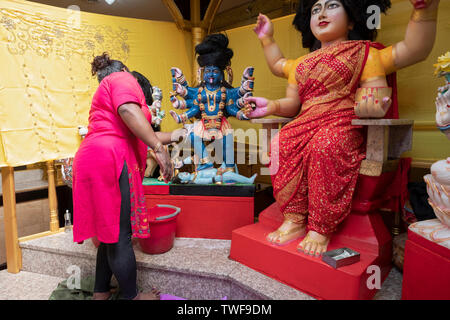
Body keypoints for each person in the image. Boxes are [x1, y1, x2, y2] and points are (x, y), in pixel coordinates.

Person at [246, 0, 441, 257]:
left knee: (324, 145)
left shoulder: (365, 53)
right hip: (305, 121)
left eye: (331, 6)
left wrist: (424, 11)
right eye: (315, 10)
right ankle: (294, 219)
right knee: (279, 143)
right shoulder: (302, 64)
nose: (322, 14)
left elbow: (414, 49)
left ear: (351, 20)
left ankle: (321, 226)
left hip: (343, 123)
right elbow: (290, 97)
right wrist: (267, 44)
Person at [72, 53, 173, 300]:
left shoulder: (107, 90)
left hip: (92, 157)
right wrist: (159, 151)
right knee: (119, 235)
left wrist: (182, 133)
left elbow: (139, 130)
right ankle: (132, 297)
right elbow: (128, 109)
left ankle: (101, 292)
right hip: (109, 159)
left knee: (108, 233)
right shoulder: (122, 78)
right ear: (126, 71)